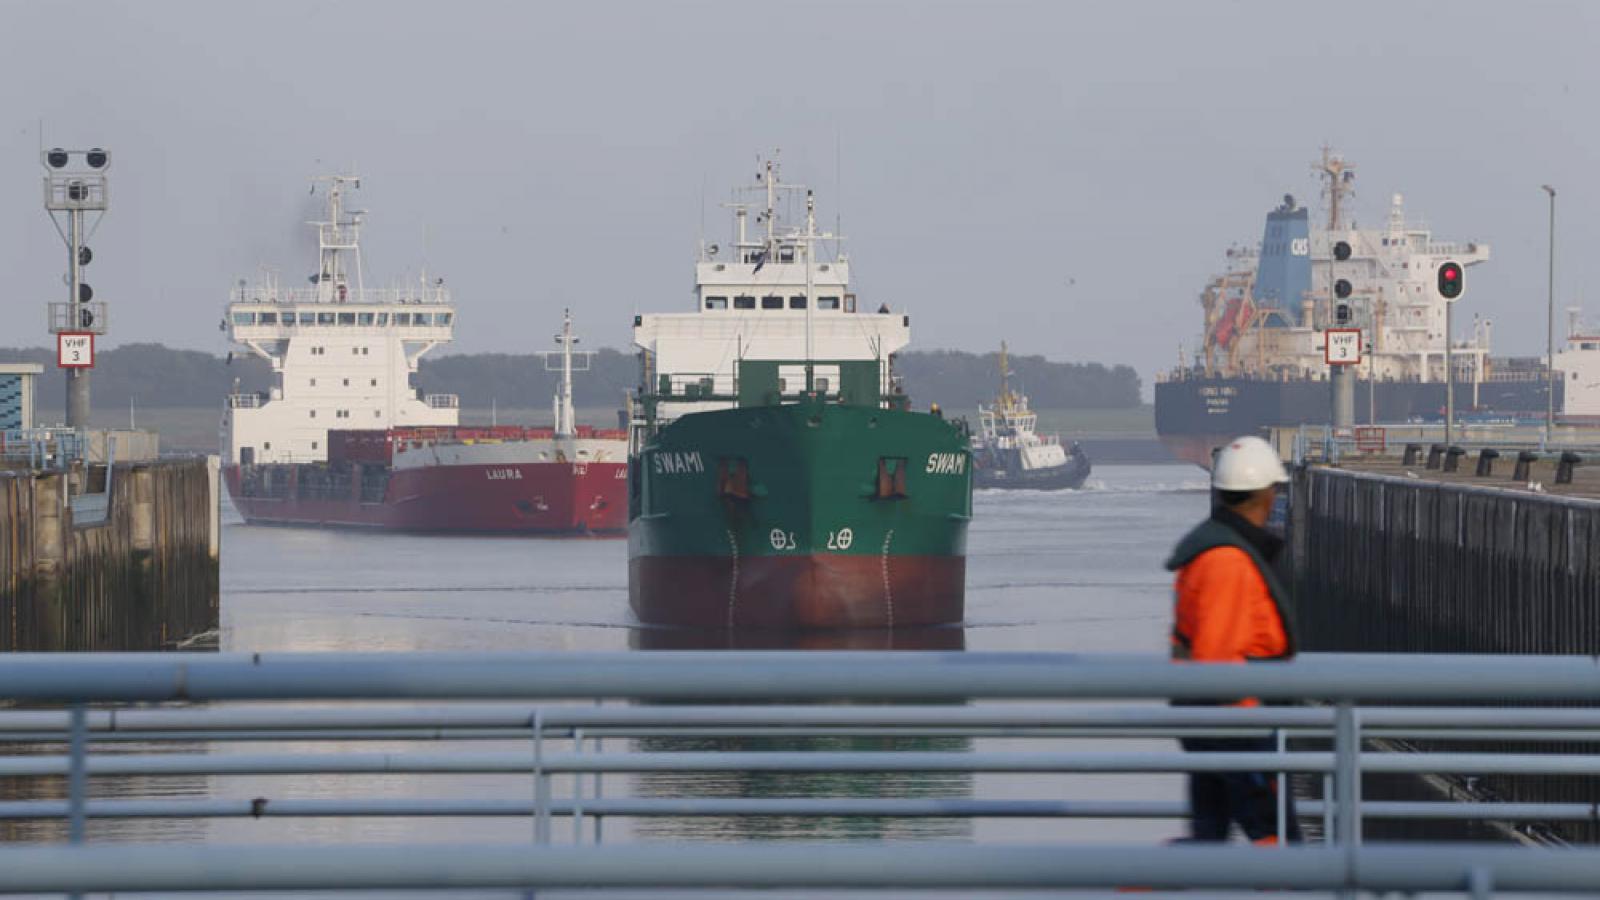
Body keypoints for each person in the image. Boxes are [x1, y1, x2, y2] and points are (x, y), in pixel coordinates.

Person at [1165, 434, 1299, 845]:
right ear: (1263, 494)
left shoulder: (1220, 549)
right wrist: (1245, 735)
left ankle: (1145, 884)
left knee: (1207, 841)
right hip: (1238, 725)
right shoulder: (1227, 561)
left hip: (1217, 723)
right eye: (1274, 490)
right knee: (1278, 845)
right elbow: (1217, 657)